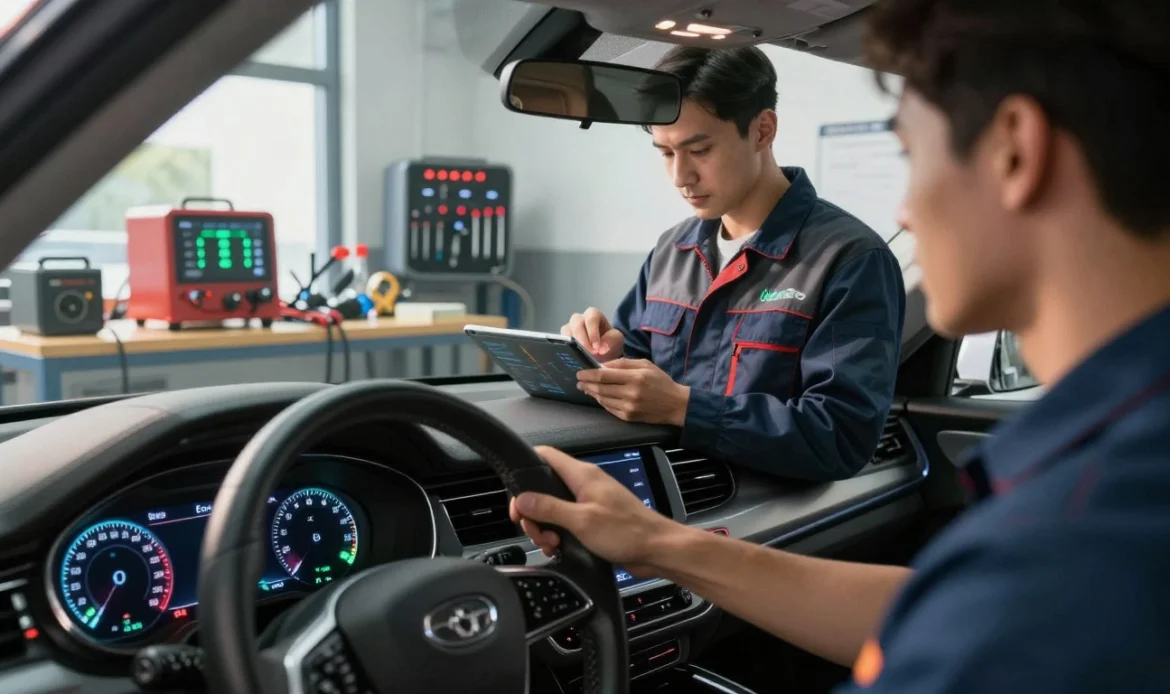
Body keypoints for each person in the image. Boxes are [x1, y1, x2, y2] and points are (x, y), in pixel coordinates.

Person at [519, 1, 1170, 690]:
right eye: (666, 153)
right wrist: (658, 541)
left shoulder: (1090, 525)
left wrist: (685, 417)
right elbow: (941, 615)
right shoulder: (1107, 482)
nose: (903, 211)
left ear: (1015, 148)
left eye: (912, 155)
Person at [562, 46, 905, 481]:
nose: (680, 176)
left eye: (699, 150)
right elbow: (638, 359)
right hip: (668, 503)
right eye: (666, 153)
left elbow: (840, 437)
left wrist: (683, 408)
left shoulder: (849, 260)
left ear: (763, 130)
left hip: (770, 519)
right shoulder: (673, 251)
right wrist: (606, 354)